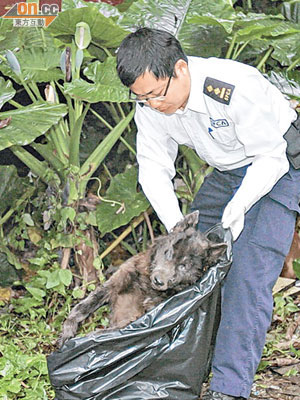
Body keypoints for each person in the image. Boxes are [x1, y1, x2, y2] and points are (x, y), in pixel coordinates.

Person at [116, 27, 300, 400]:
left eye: (156, 95)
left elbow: (271, 156)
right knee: (188, 265)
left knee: (246, 277)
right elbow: (153, 167)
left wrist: (239, 207)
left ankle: (229, 389)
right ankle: (183, 370)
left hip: (278, 165)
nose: (152, 105)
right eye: (142, 98)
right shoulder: (150, 102)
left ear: (180, 70)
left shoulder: (233, 87)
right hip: (228, 170)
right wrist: (175, 226)